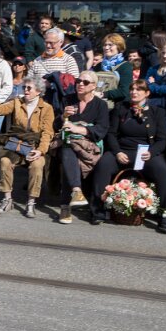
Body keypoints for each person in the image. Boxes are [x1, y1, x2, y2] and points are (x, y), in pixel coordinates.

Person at [95, 80, 166, 231]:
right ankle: (98, 211)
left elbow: (162, 140)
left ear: (147, 93)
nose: (134, 92)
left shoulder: (157, 112)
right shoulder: (120, 108)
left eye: (139, 89)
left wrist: (151, 153)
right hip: (123, 150)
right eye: (132, 89)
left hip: (146, 153)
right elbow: (111, 134)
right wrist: (117, 151)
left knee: (163, 172)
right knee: (103, 165)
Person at [0, 76, 55, 218]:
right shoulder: (17, 102)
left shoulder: (47, 108)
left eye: (29, 88)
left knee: (37, 165)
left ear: (38, 91)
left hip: (35, 146)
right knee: (4, 161)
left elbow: (47, 133)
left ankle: (31, 202)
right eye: (24, 87)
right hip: (16, 145)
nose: (25, 90)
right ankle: (7, 199)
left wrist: (40, 151)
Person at [56, 70, 109, 225]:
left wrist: (80, 129)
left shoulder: (100, 105)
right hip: (70, 143)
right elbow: (56, 125)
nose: (80, 84)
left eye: (85, 82)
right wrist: (64, 116)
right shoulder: (68, 99)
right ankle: (75, 193)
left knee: (69, 154)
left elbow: (102, 128)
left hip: (90, 146)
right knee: (67, 150)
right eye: (78, 81)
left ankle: (67, 204)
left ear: (93, 86)